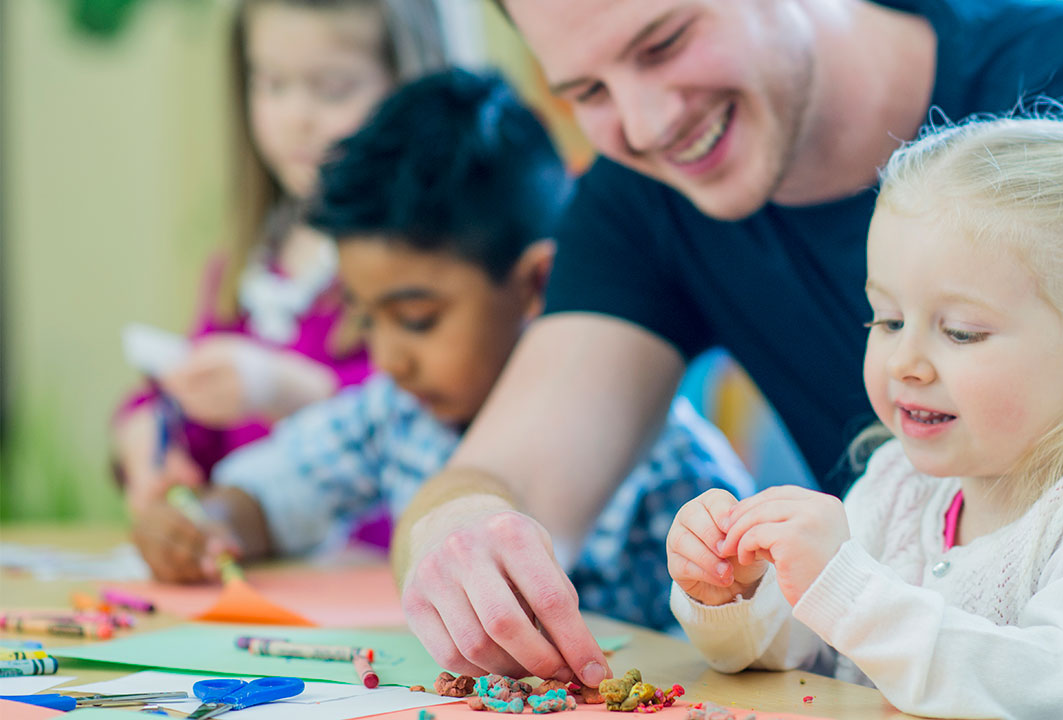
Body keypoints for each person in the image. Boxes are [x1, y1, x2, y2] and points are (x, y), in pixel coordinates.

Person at [391, 0, 1063, 689]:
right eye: (583, 92)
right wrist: (466, 538)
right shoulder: (642, 190)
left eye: (663, 43)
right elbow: (504, 477)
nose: (645, 121)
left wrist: (853, 592)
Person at [668, 116, 1063, 718]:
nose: (905, 362)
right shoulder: (898, 484)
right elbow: (806, 658)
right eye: (887, 320)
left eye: (961, 332)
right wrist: (736, 597)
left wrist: (847, 587)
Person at [129, 69, 755, 634]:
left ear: (537, 284)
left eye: (416, 319)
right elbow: (275, 494)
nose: (389, 357)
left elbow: (752, 637)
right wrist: (206, 525)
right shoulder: (395, 414)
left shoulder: (670, 467)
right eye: (365, 319)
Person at [112, 0, 447, 522]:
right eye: (271, 84)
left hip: (377, 576)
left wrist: (290, 391)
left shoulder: (432, 262)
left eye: (333, 89)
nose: (296, 119)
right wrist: (149, 436)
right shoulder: (252, 261)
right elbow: (192, 410)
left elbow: (435, 425)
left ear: (407, 90)